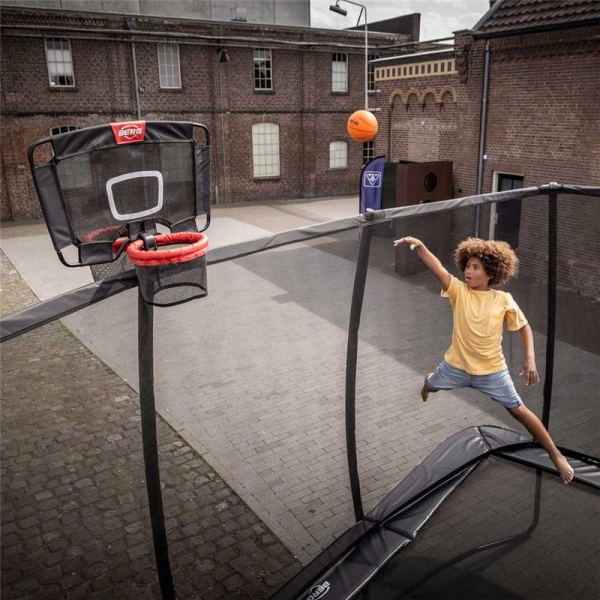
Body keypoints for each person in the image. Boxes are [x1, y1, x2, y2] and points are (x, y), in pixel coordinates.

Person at [393, 235, 574, 485]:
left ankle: (556, 455)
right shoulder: (458, 291)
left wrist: (530, 358)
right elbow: (439, 269)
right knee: (432, 385)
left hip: (492, 372)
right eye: (468, 266)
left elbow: (524, 326)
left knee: (519, 411)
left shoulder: (503, 300)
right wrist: (422, 247)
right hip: (455, 366)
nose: (469, 271)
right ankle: (428, 382)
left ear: (490, 272)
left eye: (476, 267)